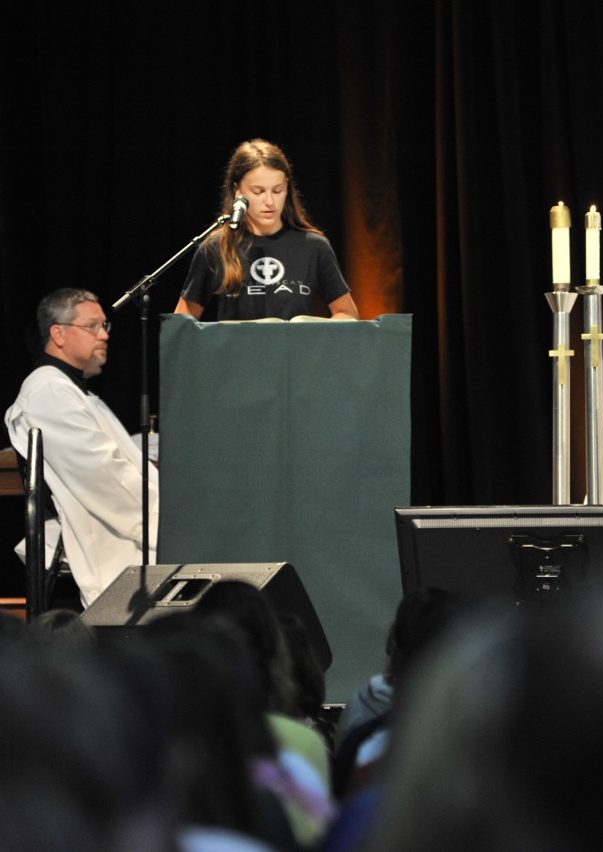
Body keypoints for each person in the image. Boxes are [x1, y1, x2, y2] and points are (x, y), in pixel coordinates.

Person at [4, 288, 159, 607]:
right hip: (106, 534)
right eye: (93, 326)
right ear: (58, 333)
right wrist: (170, 520)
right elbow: (104, 477)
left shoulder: (72, 390)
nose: (104, 335)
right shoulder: (48, 391)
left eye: (105, 326)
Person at [174, 138, 359, 322]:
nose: (270, 202)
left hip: (295, 351)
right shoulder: (216, 247)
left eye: (277, 191)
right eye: (258, 191)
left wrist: (315, 332)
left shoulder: (314, 247)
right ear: (238, 191)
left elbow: (348, 314)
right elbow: (183, 323)